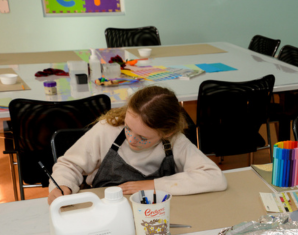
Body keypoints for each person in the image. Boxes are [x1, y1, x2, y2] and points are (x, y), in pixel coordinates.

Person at [47, 86, 227, 205]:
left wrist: (153, 185)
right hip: (105, 211)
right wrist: (63, 185)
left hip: (155, 214)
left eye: (142, 137)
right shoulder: (107, 130)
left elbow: (215, 177)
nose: (132, 139)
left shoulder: (175, 142)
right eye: (128, 128)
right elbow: (69, 165)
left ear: (167, 133)